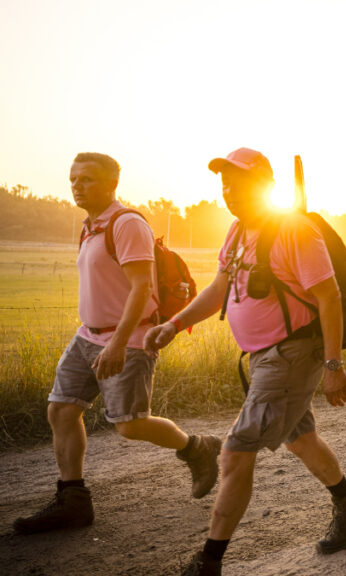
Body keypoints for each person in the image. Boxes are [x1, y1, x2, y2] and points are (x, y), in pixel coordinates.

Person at [144, 148, 346, 576]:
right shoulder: (236, 232)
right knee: (300, 438)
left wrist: (332, 365)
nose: (229, 191)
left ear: (266, 187)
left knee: (234, 454)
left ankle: (208, 561)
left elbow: (326, 298)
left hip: (291, 355)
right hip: (266, 357)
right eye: (225, 184)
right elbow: (217, 289)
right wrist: (174, 325)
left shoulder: (294, 230)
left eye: (239, 183)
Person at [13, 153, 221, 536]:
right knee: (60, 410)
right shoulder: (90, 226)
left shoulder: (126, 224)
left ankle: (197, 448)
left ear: (111, 185)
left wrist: (119, 344)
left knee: (130, 425)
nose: (77, 185)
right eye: (73, 178)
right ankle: (72, 500)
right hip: (87, 335)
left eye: (88, 179)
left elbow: (142, 288)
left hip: (129, 338)